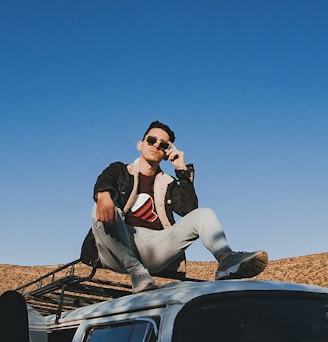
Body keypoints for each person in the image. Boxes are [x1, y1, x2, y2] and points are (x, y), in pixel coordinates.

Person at [80, 119, 268, 293]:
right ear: (140, 144)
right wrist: (104, 195)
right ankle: (136, 272)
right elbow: (105, 182)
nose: (156, 145)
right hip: (119, 245)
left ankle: (227, 260)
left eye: (163, 145)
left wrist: (181, 171)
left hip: (155, 247)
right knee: (101, 207)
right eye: (151, 140)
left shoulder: (168, 183)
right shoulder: (120, 169)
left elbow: (189, 212)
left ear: (166, 153)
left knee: (204, 214)